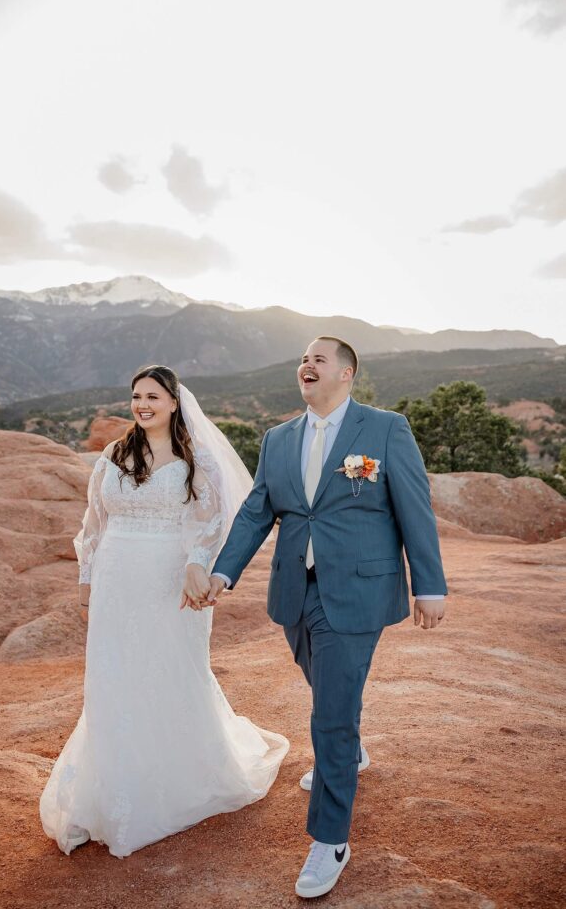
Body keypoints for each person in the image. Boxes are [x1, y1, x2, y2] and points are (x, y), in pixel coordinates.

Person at [196, 336, 447, 899]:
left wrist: (428, 585)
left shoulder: (385, 429)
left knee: (331, 713)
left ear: (347, 374)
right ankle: (350, 749)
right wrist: (222, 573)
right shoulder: (278, 439)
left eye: (318, 359)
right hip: (295, 590)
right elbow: (258, 510)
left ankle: (330, 837)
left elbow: (414, 506)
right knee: (324, 684)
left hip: (359, 590)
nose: (306, 365)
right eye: (302, 359)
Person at [39, 364, 289, 858]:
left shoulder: (198, 460)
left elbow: (212, 523)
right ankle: (102, 797)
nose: (143, 404)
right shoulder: (114, 454)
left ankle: (173, 784)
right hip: (116, 579)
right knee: (113, 680)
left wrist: (199, 566)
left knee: (170, 673)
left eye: (153, 395)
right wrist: (87, 585)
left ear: (174, 402)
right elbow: (94, 524)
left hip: (173, 583)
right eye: (136, 396)